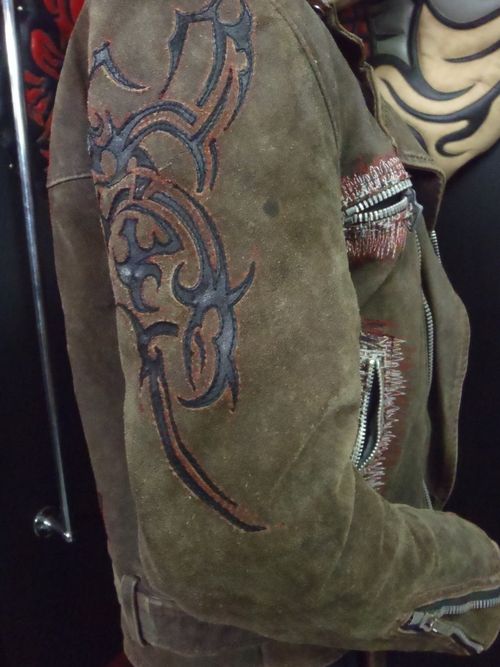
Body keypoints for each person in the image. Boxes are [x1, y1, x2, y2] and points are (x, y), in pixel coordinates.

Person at [47, 1, 500, 666]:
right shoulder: (202, 20)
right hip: (285, 642)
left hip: (337, 619)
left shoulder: (283, 25)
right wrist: (481, 589)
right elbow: (260, 546)